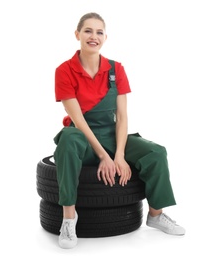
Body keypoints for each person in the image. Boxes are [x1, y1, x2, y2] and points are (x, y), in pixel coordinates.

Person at [53, 12, 185, 249]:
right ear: (77, 35)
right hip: (82, 136)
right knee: (68, 139)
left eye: (99, 32)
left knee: (156, 152)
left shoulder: (116, 69)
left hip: (112, 134)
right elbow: (78, 120)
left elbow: (122, 117)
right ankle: (69, 219)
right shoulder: (64, 71)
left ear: (105, 37)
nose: (94, 36)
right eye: (88, 31)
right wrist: (104, 156)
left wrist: (120, 155)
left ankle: (155, 215)